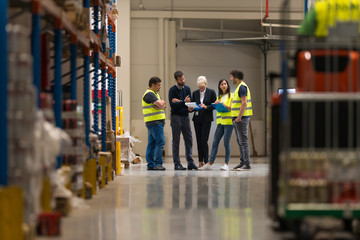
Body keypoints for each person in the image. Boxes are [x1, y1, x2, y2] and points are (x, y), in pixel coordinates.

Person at [199, 79, 233, 171]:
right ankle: (210, 163)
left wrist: (222, 104)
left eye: (225, 84)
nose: (224, 85)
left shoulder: (231, 96)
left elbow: (230, 108)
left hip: (229, 123)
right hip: (220, 123)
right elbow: (218, 109)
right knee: (215, 142)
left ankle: (226, 164)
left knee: (226, 143)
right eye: (222, 84)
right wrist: (216, 105)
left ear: (227, 85)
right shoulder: (220, 96)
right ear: (219, 86)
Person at [168, 71, 198, 170]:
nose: (183, 81)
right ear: (176, 80)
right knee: (176, 140)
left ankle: (190, 162)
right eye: (181, 80)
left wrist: (186, 105)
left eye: (184, 79)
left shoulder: (187, 89)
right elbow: (172, 105)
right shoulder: (172, 90)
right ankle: (177, 163)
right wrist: (184, 102)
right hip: (175, 117)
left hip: (185, 116)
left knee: (189, 139)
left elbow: (190, 104)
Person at [191, 76, 216, 168]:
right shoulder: (195, 93)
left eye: (202, 87)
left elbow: (214, 105)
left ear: (205, 84)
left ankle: (206, 161)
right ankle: (200, 161)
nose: (200, 89)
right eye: (199, 87)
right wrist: (190, 107)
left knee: (203, 141)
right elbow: (192, 107)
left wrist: (206, 107)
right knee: (198, 141)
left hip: (207, 119)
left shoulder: (211, 92)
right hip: (197, 119)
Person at [230, 70, 253, 171]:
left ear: (236, 77)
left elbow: (244, 103)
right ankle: (242, 162)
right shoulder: (238, 88)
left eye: (231, 77)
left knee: (243, 141)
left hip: (241, 119)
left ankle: (247, 164)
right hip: (237, 119)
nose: (231, 79)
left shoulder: (242, 87)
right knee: (240, 141)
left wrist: (239, 116)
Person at [142, 77, 166, 170]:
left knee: (152, 143)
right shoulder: (149, 94)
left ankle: (151, 164)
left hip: (155, 122)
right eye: (158, 85)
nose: (160, 87)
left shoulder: (156, 94)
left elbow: (164, 105)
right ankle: (157, 164)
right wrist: (160, 104)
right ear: (152, 85)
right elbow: (161, 105)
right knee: (161, 142)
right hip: (154, 122)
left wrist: (161, 104)